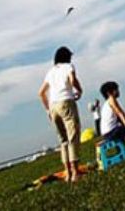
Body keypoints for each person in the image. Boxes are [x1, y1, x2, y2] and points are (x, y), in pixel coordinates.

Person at [38, 46, 83, 182]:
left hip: (53, 106)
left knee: (63, 141)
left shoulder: (51, 72)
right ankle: (75, 173)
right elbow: (72, 80)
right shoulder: (69, 66)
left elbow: (41, 93)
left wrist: (48, 110)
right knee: (73, 137)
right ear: (67, 57)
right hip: (66, 102)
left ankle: (68, 173)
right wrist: (79, 90)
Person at [99, 81, 125, 159]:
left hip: (107, 132)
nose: (118, 91)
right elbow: (119, 112)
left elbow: (119, 116)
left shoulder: (107, 103)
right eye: (116, 89)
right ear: (109, 93)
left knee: (124, 129)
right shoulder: (111, 99)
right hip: (110, 132)